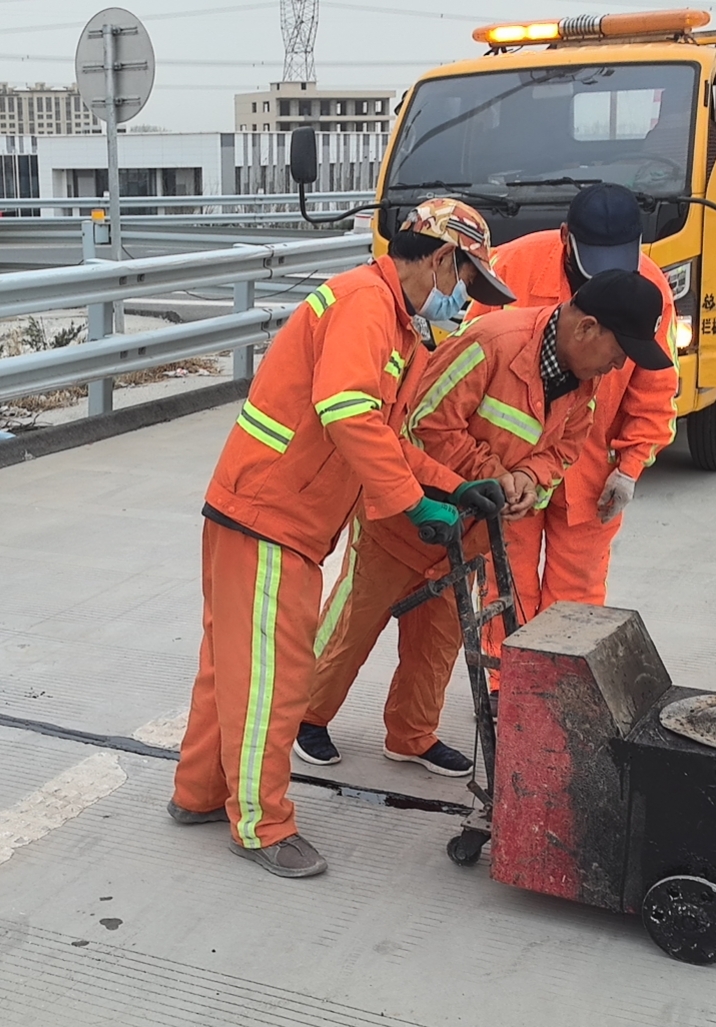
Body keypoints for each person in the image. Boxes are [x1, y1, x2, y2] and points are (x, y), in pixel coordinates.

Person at [170, 198, 516, 878]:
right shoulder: (366, 304)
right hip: (272, 516)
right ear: (441, 259)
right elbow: (349, 414)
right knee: (272, 680)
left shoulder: (392, 322)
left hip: (264, 513)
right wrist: (412, 504)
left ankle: (200, 793)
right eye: (467, 282)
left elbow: (382, 433)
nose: (465, 301)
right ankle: (263, 826)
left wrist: (450, 485)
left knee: (232, 668)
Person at [301, 270, 674, 775]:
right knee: (354, 623)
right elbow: (422, 423)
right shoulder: (491, 343)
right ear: (586, 328)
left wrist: (529, 480)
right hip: (405, 516)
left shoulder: (583, 381)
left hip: (469, 532)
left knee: (438, 641)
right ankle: (306, 717)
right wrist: (495, 474)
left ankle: (411, 735)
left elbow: (566, 449)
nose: (620, 365)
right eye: (620, 350)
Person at [466, 182, 679, 615]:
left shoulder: (650, 290)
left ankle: (561, 665)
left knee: (576, 599)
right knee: (505, 587)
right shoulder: (513, 266)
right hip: (510, 472)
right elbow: (470, 366)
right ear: (566, 238)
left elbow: (655, 391)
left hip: (590, 475)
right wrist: (484, 468)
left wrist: (630, 468)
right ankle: (504, 664)